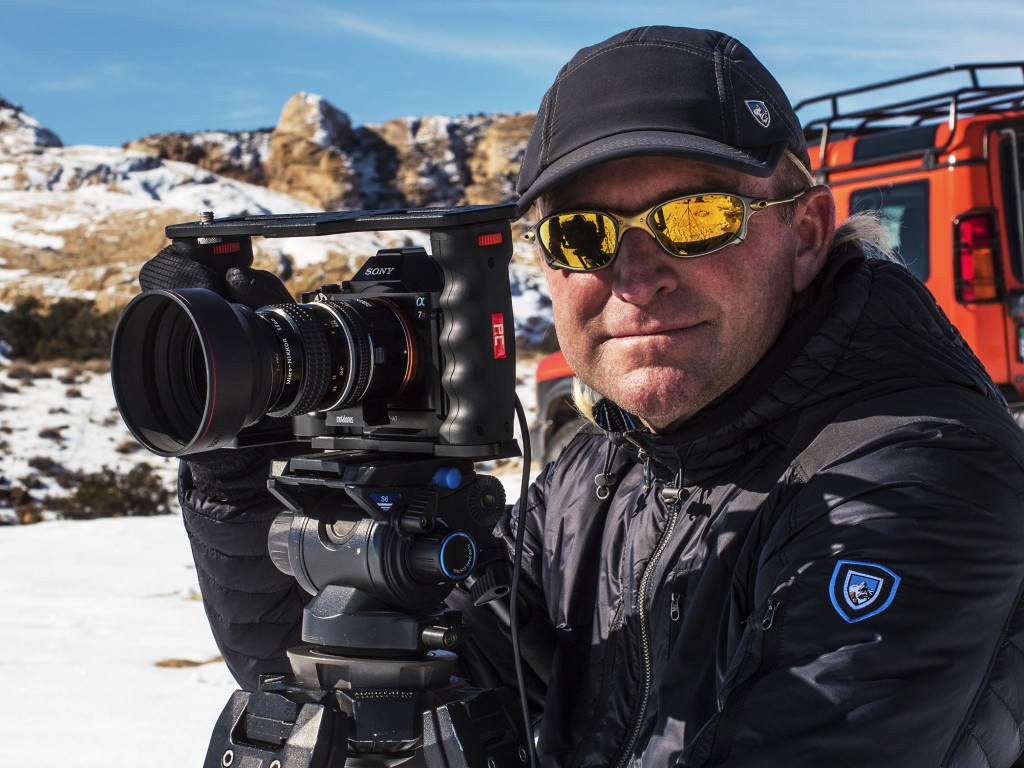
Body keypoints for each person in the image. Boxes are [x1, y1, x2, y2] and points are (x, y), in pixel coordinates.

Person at [138, 26, 1024, 768]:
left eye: (696, 216)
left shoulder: (914, 482)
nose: (635, 277)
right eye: (581, 232)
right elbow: (336, 689)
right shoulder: (607, 470)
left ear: (806, 233)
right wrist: (235, 468)